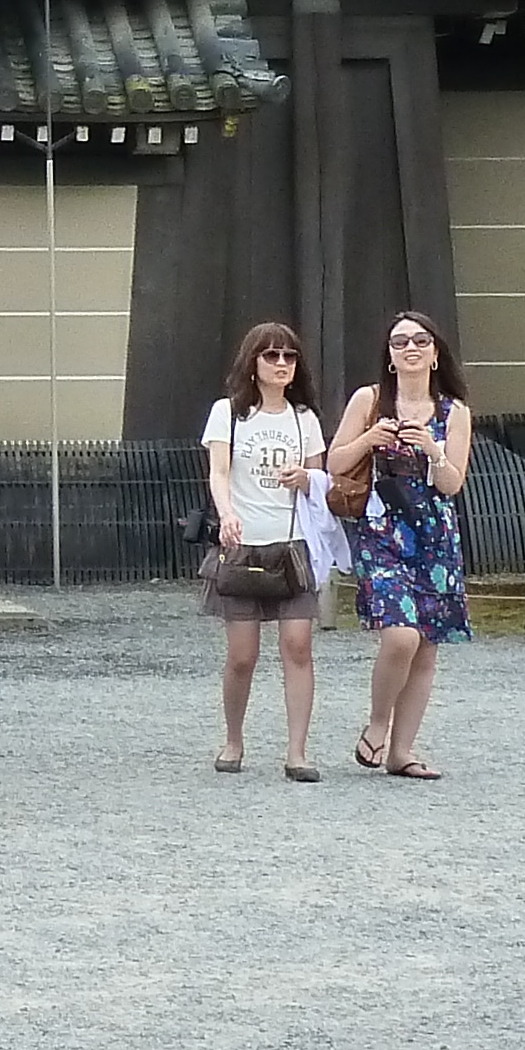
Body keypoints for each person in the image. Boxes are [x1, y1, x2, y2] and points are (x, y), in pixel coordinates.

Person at [327, 311, 474, 777]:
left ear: (435, 353)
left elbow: (453, 484)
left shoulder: (454, 412)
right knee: (401, 634)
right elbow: (335, 462)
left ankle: (402, 751)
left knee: (426, 645)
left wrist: (431, 450)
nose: (409, 349)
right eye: (398, 343)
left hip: (434, 533)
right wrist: (372, 438)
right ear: (389, 358)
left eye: (419, 341)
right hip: (382, 531)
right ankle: (377, 724)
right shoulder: (368, 400)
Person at [201, 323, 328, 778]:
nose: (280, 364)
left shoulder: (304, 419)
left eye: (288, 357)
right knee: (242, 654)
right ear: (252, 363)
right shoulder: (228, 414)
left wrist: (306, 478)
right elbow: (218, 471)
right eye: (271, 356)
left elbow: (321, 480)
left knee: (298, 646)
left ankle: (297, 752)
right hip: (243, 543)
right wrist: (228, 514)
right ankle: (233, 739)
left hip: (292, 544)